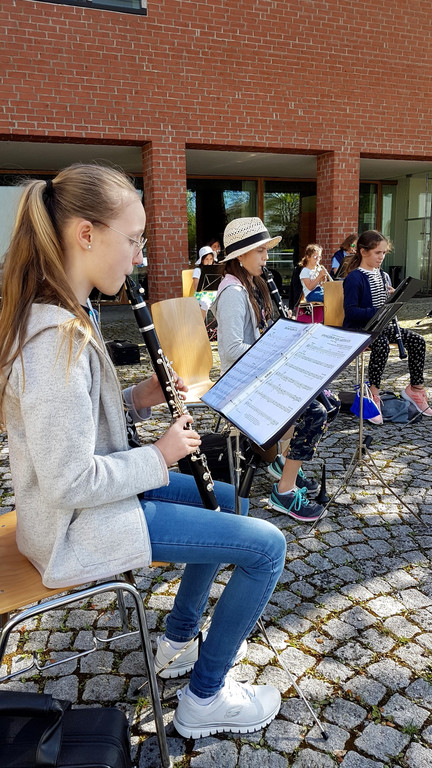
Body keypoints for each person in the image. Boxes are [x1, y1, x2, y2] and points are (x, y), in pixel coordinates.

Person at [0, 165, 287, 739]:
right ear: (87, 234)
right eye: (133, 240)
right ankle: (205, 698)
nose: (138, 258)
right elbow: (69, 480)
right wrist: (160, 454)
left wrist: (139, 396)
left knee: (230, 501)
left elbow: (86, 424)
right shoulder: (53, 338)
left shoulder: (68, 310)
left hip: (95, 502)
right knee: (268, 548)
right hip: (75, 526)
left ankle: (179, 638)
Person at [212, 217, 328, 523]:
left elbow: (261, 335)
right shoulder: (233, 293)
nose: (266, 257)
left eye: (265, 250)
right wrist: (275, 354)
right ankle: (284, 492)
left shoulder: (251, 284)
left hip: (257, 376)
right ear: (240, 256)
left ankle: (282, 465)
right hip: (241, 385)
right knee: (314, 413)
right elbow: (231, 350)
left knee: (325, 399)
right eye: (260, 251)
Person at [343, 229, 432, 422]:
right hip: (359, 329)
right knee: (381, 343)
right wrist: (378, 310)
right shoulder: (354, 278)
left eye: (384, 253)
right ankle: (373, 394)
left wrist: (393, 299)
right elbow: (351, 312)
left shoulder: (383, 276)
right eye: (377, 253)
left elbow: (385, 310)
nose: (381, 257)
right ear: (363, 251)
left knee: (417, 340)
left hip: (379, 326)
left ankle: (415, 389)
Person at [193, 245, 218, 318]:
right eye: (206, 259)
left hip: (213, 293)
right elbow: (196, 286)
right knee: (205, 303)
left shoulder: (214, 270)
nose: (209, 262)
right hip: (201, 294)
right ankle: (201, 324)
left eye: (211, 259)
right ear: (202, 260)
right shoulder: (198, 270)